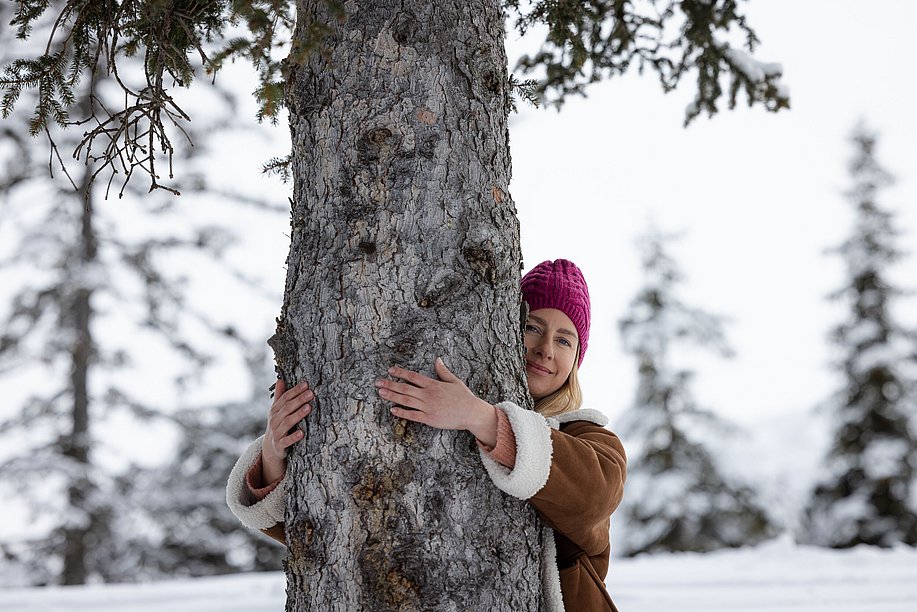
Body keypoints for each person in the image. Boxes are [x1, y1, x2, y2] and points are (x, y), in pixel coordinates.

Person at [226, 259, 627, 611]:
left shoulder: (588, 437)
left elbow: (595, 496)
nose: (544, 349)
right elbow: (328, 523)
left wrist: (484, 419)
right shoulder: (455, 403)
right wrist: (275, 455)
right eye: (531, 326)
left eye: (564, 339)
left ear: (577, 359)